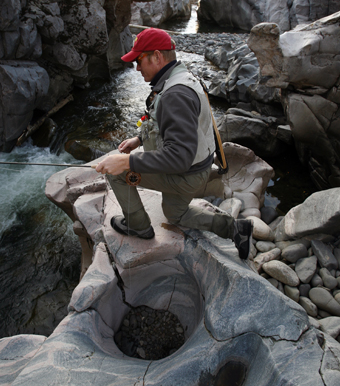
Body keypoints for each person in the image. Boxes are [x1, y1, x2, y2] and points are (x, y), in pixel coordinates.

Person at [95, 28, 252, 259]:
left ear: (157, 57)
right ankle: (235, 228)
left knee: (117, 172)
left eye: (139, 60)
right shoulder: (181, 77)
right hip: (197, 168)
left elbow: (179, 157)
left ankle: (138, 226)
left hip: (186, 173)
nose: (137, 68)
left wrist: (127, 161)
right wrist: (139, 139)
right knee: (174, 215)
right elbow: (175, 125)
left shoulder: (174, 94)